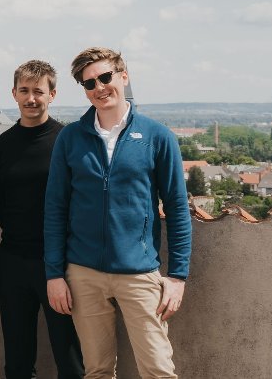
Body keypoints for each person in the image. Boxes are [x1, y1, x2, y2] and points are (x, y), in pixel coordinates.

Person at [45, 47, 191, 379]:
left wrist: (178, 277)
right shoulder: (70, 139)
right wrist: (54, 274)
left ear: (123, 76)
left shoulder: (157, 137)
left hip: (139, 274)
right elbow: (55, 209)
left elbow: (178, 210)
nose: (99, 87)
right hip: (83, 273)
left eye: (105, 77)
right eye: (89, 83)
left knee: (158, 370)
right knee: (96, 371)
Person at [0, 61, 84, 379]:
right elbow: (1, 204)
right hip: (13, 261)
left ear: (52, 95)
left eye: (39, 92)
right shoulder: (2, 146)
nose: (31, 99)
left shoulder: (68, 140)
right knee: (17, 360)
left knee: (70, 358)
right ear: (14, 93)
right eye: (25, 91)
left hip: (60, 263)